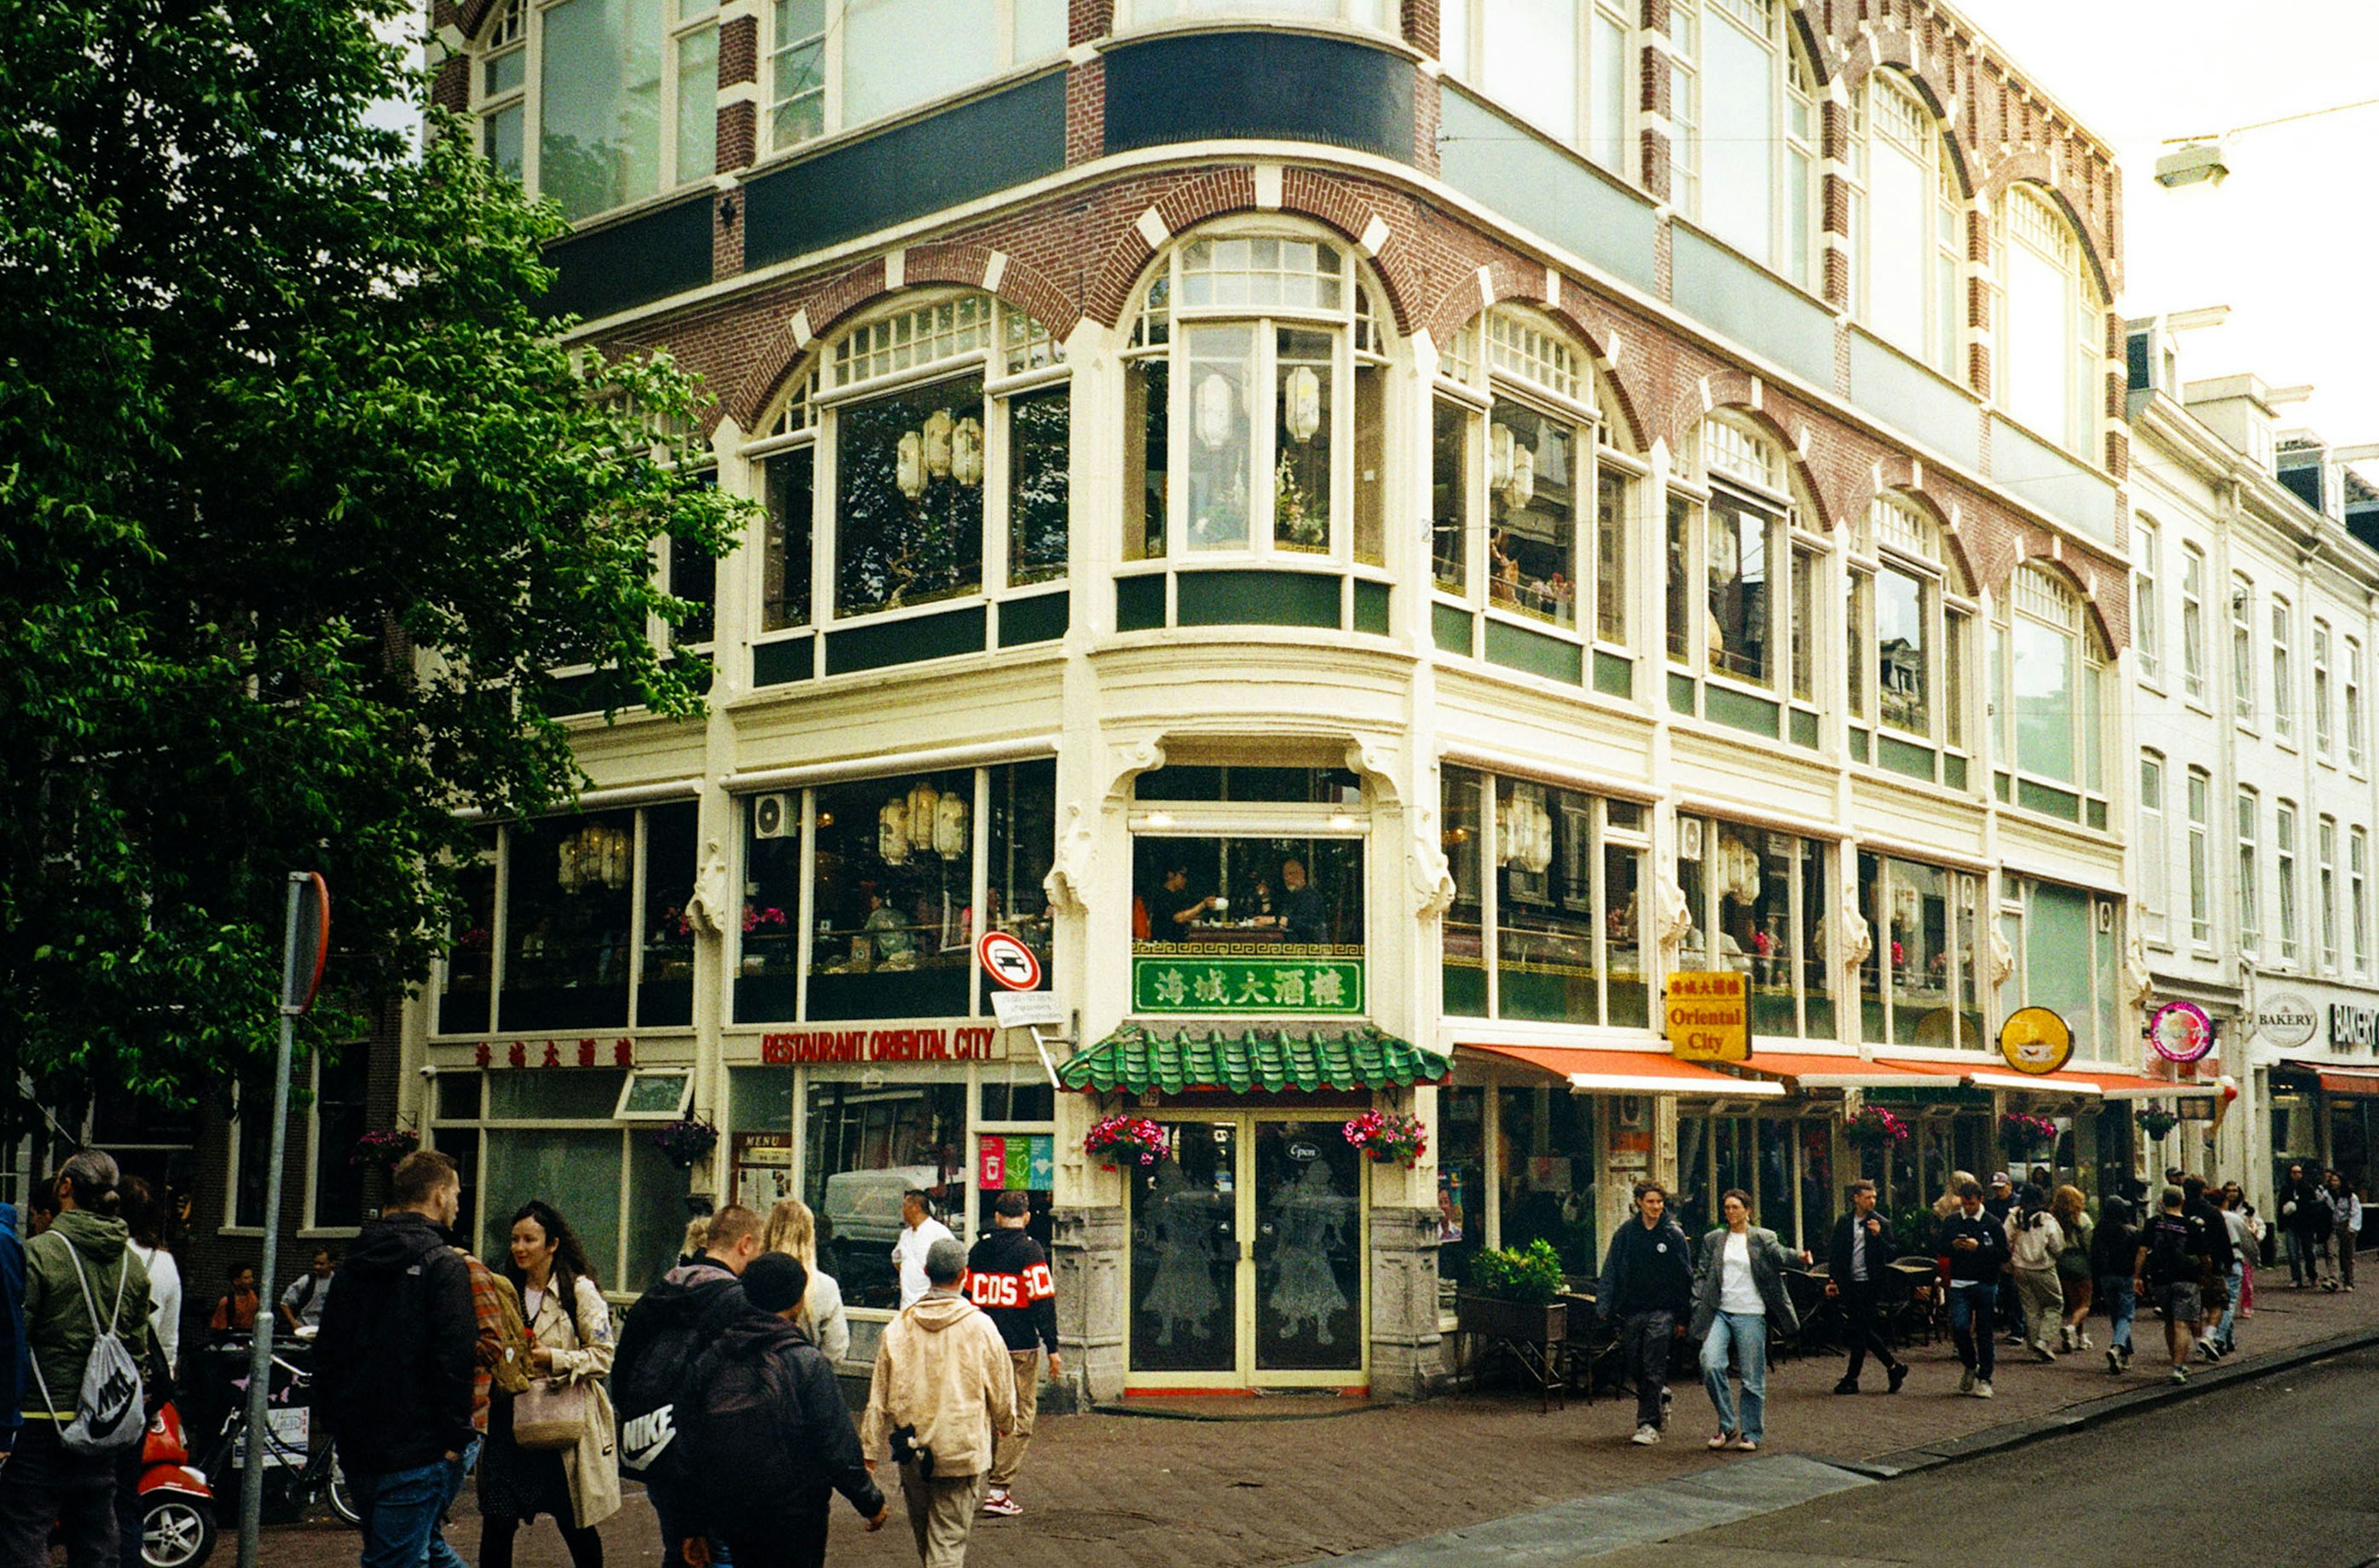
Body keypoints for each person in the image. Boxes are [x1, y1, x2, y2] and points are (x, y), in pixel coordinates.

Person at [314, 1149, 476, 1568]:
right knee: (400, 1557)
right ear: (439, 1196)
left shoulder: (353, 1264)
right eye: (457, 1194)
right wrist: (455, 1439)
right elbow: (454, 1358)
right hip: (418, 1447)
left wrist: (335, 1423)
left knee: (414, 1550)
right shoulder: (444, 1265)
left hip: (359, 1447)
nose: (459, 1204)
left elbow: (328, 1349)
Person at [0, 1151, 158, 1568]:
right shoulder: (131, 1265)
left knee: (24, 1532)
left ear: (65, 1187)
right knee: (96, 1536)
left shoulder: (39, 1254)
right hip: (102, 1421)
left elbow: (16, 1338)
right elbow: (135, 1348)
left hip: (40, 1418)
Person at [686, 1253, 888, 1568]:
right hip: (796, 1513)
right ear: (797, 1301)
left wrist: (693, 1523)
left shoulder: (713, 1357)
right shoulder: (807, 1363)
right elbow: (835, 1443)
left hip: (732, 1508)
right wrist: (870, 1502)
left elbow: (690, 1443)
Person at [614, 1204, 764, 1568]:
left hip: (658, 1445)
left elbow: (622, 1371)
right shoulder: (738, 1303)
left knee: (677, 1548)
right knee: (721, 1553)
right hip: (711, 1458)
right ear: (745, 1244)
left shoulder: (660, 1291)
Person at [861, 1238, 1017, 1568]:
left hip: (913, 1449)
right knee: (947, 1542)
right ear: (964, 1274)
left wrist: (869, 1450)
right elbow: (1002, 1386)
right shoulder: (981, 1327)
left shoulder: (900, 1326)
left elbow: (878, 1395)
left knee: (927, 1539)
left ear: (926, 1271)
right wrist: (1006, 1423)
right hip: (961, 1449)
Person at [480, 1201, 618, 1568]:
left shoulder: (578, 1291)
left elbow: (603, 1355)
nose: (519, 1248)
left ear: (553, 1244)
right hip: (509, 1422)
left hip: (558, 1426)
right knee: (497, 1524)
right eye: (514, 1239)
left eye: (529, 1239)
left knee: (575, 1525)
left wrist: (554, 1358)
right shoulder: (504, 1289)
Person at [965, 1191, 1062, 1514]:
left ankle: (973, 1478)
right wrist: (1053, 1347)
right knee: (1019, 1414)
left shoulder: (978, 1250)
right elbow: (1042, 1300)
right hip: (1020, 1345)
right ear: (1027, 1217)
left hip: (982, 1346)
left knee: (986, 1412)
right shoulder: (1031, 1250)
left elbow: (966, 1297)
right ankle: (998, 1490)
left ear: (996, 1217)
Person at [1687, 1190, 1800, 1453]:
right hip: (1720, 1310)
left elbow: (1779, 1254)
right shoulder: (1714, 1239)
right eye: (1727, 1207)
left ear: (1748, 1210)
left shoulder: (1762, 1237)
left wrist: (1800, 1257)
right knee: (1710, 1363)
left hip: (1750, 1312)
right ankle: (1727, 1424)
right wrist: (1697, 1302)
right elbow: (1702, 1273)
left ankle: (1751, 1433)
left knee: (1751, 1377)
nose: (1730, 1212)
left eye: (1735, 1207)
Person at [115, 1177, 182, 1568]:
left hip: (98, 1385)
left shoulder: (109, 1255)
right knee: (127, 1489)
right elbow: (170, 1338)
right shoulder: (166, 1263)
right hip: (140, 1389)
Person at [1595, 1179, 1694, 1444]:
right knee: (1635, 1364)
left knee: (1653, 1364)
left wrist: (1683, 1317)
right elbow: (1611, 1269)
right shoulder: (1626, 1234)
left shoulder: (1672, 1235)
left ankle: (1648, 1424)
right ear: (1639, 1203)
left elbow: (1684, 1278)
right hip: (1633, 1309)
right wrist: (1604, 1305)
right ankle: (1659, 1394)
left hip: (1662, 1311)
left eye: (1660, 1202)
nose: (1656, 1207)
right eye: (1651, 1202)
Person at [1825, 1180, 1906, 1396]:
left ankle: (1852, 1379)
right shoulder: (1844, 1222)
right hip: (1849, 1282)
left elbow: (1893, 1253)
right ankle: (1894, 1367)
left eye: (1874, 1197)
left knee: (1859, 1329)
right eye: (1868, 1197)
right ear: (1856, 1198)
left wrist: (1878, 1236)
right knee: (1860, 1329)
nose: (1872, 1201)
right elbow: (1836, 1253)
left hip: (1871, 1284)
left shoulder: (1881, 1223)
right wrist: (1832, 1280)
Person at [1936, 1177, 2008, 1397]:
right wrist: (1953, 1246)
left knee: (1985, 1331)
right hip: (1959, 1281)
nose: (1967, 1208)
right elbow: (1940, 1247)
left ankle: (1985, 1378)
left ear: (1981, 1200)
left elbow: (2004, 1254)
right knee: (1959, 1327)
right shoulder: (1952, 1221)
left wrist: (1979, 1248)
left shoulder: (1992, 1223)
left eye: (1971, 1204)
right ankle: (1970, 1363)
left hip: (1985, 1282)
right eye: (1964, 1204)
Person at [2135, 1184, 2208, 1385]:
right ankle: (2178, 1366)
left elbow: (2142, 1251)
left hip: (2160, 1278)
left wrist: (2137, 1277)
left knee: (2169, 1321)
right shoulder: (2191, 1226)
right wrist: (2205, 1276)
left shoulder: (2153, 1224)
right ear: (2182, 1201)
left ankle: (2175, 1361)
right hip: (2186, 1279)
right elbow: (2205, 1257)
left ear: (2162, 1201)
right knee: (2182, 1324)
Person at [764, 1198, 850, 1368]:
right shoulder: (825, 1286)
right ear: (810, 1234)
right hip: (806, 1373)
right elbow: (836, 1349)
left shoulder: (752, 1278)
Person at [2180, 1175, 2237, 1360]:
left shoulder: (2180, 1211)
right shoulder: (2212, 1212)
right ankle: (2209, 1336)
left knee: (2194, 1309)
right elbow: (2223, 1240)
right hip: (2212, 1264)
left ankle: (2198, 1344)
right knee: (2218, 1304)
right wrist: (2229, 1262)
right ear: (2203, 1191)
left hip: (2186, 1266)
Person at [2005, 1191, 2064, 1363]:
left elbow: (2005, 1238)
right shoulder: (2046, 1219)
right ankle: (2043, 1341)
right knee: (2054, 1304)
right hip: (2043, 1267)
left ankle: (2034, 1346)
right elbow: (2057, 1245)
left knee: (2030, 1308)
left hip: (2020, 1267)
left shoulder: (2014, 1216)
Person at [2092, 1195, 2138, 1377]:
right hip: (2125, 1275)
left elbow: (2094, 1254)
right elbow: (2137, 1255)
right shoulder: (2129, 1231)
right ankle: (2117, 1347)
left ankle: (2124, 1355)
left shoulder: (2099, 1229)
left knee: (2116, 1315)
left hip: (2106, 1276)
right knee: (2126, 1315)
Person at [893, 1190, 958, 1311]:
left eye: (905, 1206)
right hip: (907, 1305)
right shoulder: (905, 1235)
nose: (902, 1210)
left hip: (931, 1305)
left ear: (916, 1208)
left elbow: (953, 1266)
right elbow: (897, 1259)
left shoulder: (939, 1232)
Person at [2208, 1188, 2253, 1358]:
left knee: (2219, 1299)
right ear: (2225, 1201)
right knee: (2229, 1301)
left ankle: (2229, 1340)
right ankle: (2219, 1338)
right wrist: (2254, 1258)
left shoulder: (2206, 1217)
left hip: (2213, 1262)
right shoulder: (2233, 1218)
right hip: (2233, 1259)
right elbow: (2247, 1240)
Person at [2051, 1185, 2093, 1354]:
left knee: (2074, 1301)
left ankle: (2079, 1337)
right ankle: (2071, 1327)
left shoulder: (2053, 1219)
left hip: (2062, 1262)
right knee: (2085, 1303)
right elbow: (2089, 1242)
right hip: (2080, 1261)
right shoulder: (2082, 1219)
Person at [2278, 1161, 2326, 1287]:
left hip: (2306, 1224)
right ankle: (2296, 1278)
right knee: (2292, 1253)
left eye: (2299, 1172)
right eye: (2294, 1172)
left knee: (2308, 1252)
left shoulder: (2307, 1188)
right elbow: (2280, 1206)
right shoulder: (2286, 1189)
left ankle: (2312, 1275)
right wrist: (2281, 1223)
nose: (2297, 1175)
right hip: (2291, 1224)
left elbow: (2313, 1205)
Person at [1143, 864, 1215, 934]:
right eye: (1182, 876)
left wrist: (1191, 918)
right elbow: (1177, 918)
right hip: (1165, 940)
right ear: (1171, 875)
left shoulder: (1175, 896)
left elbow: (1180, 916)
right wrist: (1203, 905)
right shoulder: (1162, 895)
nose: (1185, 880)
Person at [279, 1247, 336, 1336]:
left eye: (321, 1264)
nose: (317, 1267)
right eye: (315, 1263)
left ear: (332, 1264)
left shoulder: (338, 1281)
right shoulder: (306, 1281)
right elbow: (284, 1303)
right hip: (304, 1329)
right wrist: (294, 1324)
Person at [2323, 1171, 2361, 1292]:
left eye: (2336, 1180)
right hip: (2333, 1226)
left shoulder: (2350, 1196)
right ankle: (2333, 1279)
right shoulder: (2326, 1194)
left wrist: (2352, 1227)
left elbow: (2356, 1212)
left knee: (2347, 1255)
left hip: (2346, 1226)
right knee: (2332, 1252)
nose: (2333, 1183)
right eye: (2332, 1181)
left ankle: (2348, 1281)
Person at [1279, 859, 1328, 946]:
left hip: (1310, 947)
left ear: (1302, 874)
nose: (1287, 878)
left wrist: (1285, 921)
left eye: (1291, 873)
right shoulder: (1290, 897)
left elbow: (1309, 926)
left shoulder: (1311, 896)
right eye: (1285, 875)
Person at [207, 1264, 258, 1336]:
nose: (251, 1280)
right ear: (236, 1281)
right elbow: (220, 1328)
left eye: (251, 1277)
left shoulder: (256, 1297)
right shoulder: (227, 1302)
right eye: (246, 1278)